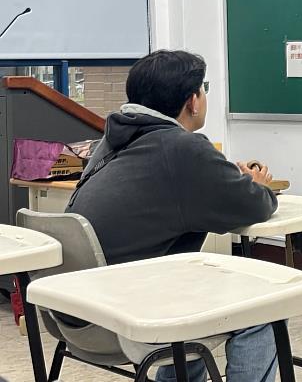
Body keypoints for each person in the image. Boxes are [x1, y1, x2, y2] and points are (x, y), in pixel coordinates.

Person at [66, 50, 279, 382]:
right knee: (265, 305)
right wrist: (257, 184)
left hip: (75, 312)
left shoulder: (113, 139)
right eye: (203, 88)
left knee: (193, 289)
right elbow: (254, 206)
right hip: (124, 319)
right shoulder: (182, 148)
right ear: (192, 101)